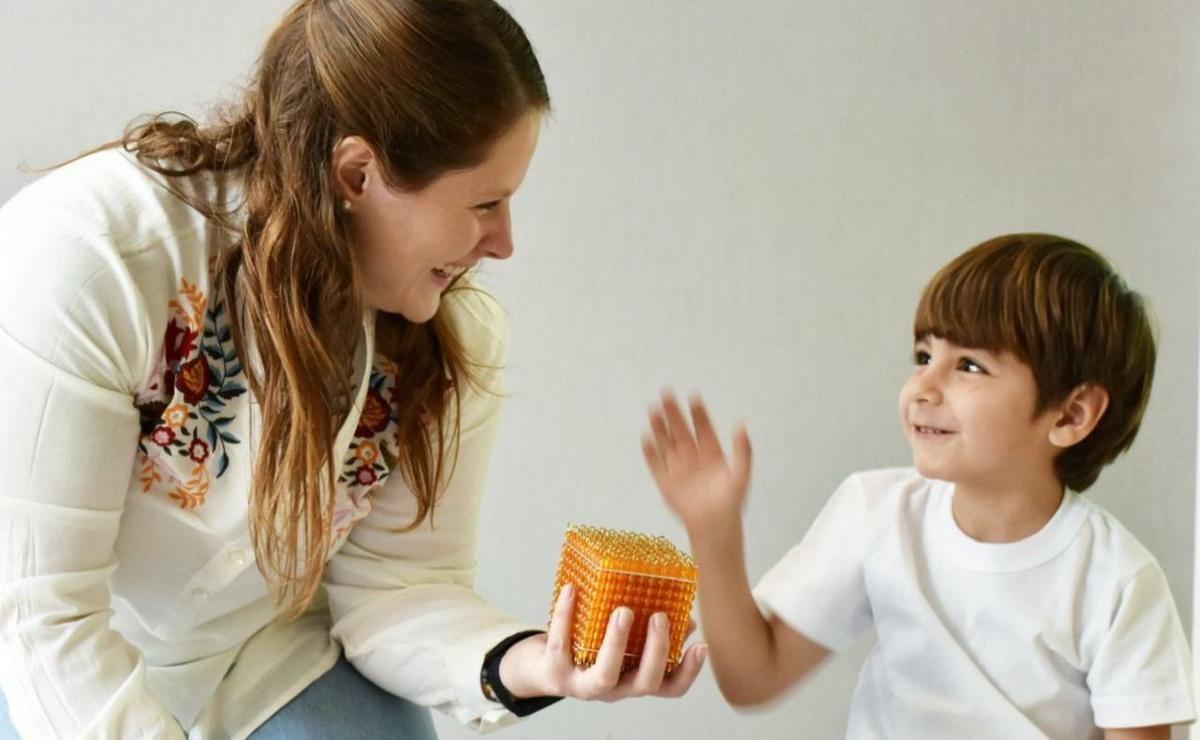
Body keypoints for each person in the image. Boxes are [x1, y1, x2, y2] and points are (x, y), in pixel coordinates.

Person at [0, 1, 705, 737]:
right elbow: (46, 621)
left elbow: (396, 587)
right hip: (38, 660)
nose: (504, 244)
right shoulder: (92, 263)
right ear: (358, 173)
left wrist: (531, 664)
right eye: (486, 203)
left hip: (261, 659)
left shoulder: (454, 336)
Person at [641, 234, 1195, 738]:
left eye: (969, 365)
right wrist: (713, 531)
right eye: (924, 356)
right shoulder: (877, 514)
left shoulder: (1119, 581)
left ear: (1071, 415)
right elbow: (752, 679)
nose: (923, 387)